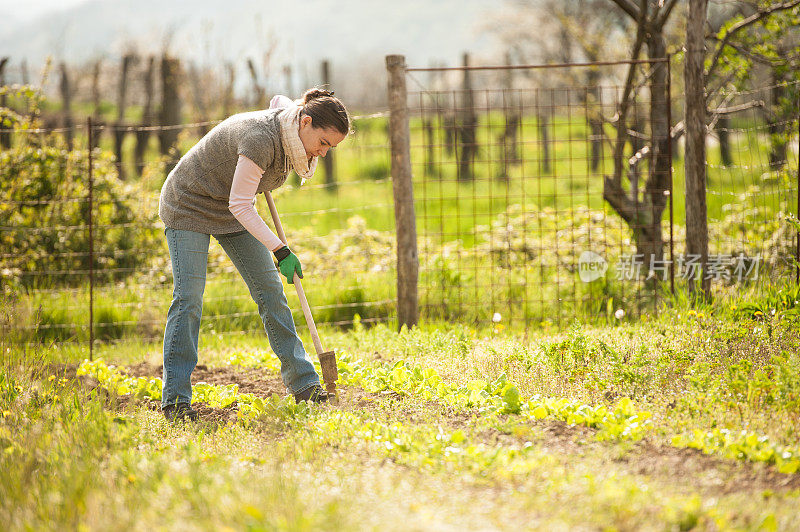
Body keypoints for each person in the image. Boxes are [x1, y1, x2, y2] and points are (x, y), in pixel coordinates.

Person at [157, 88, 350, 421]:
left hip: (231, 210)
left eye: (331, 147)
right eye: (324, 143)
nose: (324, 152)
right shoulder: (260, 140)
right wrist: (280, 248)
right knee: (189, 297)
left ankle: (304, 385)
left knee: (271, 290)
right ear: (305, 123)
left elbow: (278, 101)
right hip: (189, 203)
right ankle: (175, 400)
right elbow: (241, 204)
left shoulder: (292, 123)